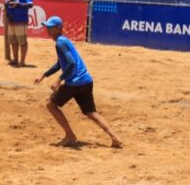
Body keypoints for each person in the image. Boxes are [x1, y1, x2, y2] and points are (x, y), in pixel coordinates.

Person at [34, 16, 123, 148]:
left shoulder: (60, 43)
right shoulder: (64, 41)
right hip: (86, 81)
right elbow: (60, 63)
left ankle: (70, 136)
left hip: (75, 83)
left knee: (51, 105)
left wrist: (59, 80)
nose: (48, 29)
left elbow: (71, 63)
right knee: (91, 112)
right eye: (47, 26)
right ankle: (115, 137)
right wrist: (45, 74)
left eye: (51, 27)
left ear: (59, 28)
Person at [5, 0, 33, 67]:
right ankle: (15, 59)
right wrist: (7, 2)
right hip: (11, 20)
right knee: (13, 41)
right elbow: (6, 2)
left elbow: (30, 5)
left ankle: (22, 61)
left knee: (22, 41)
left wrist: (19, 4)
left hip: (21, 20)